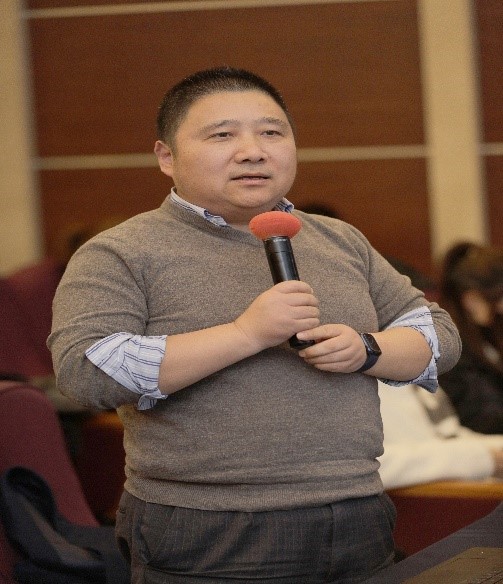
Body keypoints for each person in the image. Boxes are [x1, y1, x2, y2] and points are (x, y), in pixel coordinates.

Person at [48, 66, 461, 583]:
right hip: (210, 527)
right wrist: (246, 334)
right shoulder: (121, 251)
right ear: (166, 157)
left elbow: (439, 335)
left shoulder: (339, 239)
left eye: (271, 132)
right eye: (223, 135)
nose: (253, 151)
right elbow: (86, 372)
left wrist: (367, 349)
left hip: (359, 510)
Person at [378, 381, 503, 489]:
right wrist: (484, 459)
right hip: (416, 502)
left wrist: (495, 450)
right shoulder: (370, 381)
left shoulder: (414, 372)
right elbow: (374, 467)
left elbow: (450, 434)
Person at [438, 242, 503, 434]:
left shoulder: (487, 330)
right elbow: (481, 414)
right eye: (498, 298)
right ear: (471, 300)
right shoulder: (451, 345)